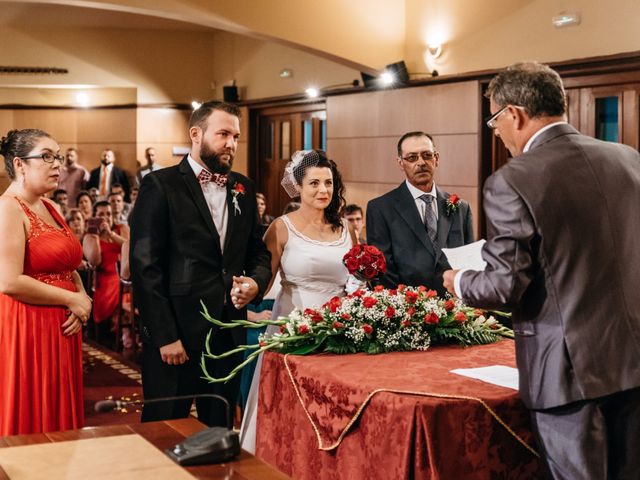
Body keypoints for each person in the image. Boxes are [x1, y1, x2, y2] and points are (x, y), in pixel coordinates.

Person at [443, 62, 640, 480]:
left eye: (495, 120)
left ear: (514, 114)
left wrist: (459, 280)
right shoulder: (628, 160)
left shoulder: (513, 179)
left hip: (569, 375)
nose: (496, 131)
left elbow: (504, 286)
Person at [129, 101, 271, 427]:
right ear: (196, 133)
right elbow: (145, 267)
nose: (231, 144)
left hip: (227, 332)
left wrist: (256, 283)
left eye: (235, 136)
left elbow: (257, 253)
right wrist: (165, 336)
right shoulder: (161, 185)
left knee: (220, 431)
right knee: (164, 429)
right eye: (223, 134)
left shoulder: (243, 188)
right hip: (178, 331)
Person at [240, 149, 354, 454]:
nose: (323, 190)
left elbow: (355, 280)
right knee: (289, 407)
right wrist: (247, 300)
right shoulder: (282, 227)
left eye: (328, 183)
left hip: (337, 331)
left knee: (329, 408)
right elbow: (262, 278)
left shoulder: (345, 229)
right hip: (293, 328)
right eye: (314, 183)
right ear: (299, 188)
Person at [0, 129, 92, 436]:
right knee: (33, 411)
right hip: (29, 324)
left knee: (59, 414)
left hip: (61, 327)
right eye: (47, 156)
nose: (58, 165)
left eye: (59, 157)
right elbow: (9, 280)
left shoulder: (49, 206)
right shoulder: (9, 207)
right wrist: (71, 300)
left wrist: (81, 296)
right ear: (20, 164)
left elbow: (68, 265)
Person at [366, 131, 474, 294]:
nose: (421, 162)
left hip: (454, 308)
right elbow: (383, 271)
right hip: (407, 309)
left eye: (427, 155)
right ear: (400, 163)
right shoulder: (381, 208)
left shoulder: (461, 208)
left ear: (436, 159)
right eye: (412, 157)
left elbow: (468, 263)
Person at [83, 201, 129, 343]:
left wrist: (111, 235)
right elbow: (95, 261)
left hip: (124, 275)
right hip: (103, 279)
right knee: (112, 285)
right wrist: (97, 236)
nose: (106, 218)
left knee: (122, 283)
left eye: (108, 214)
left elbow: (131, 247)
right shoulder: (89, 237)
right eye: (101, 214)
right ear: (95, 216)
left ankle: (126, 332)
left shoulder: (122, 228)